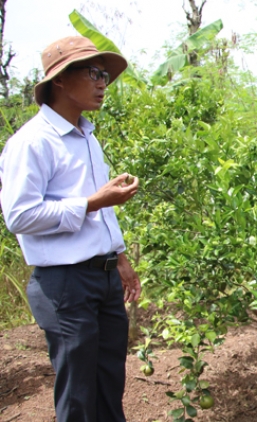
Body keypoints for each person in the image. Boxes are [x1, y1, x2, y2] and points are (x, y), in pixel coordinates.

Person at [0, 36, 141, 422]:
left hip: (105, 278)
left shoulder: (86, 137)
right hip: (65, 284)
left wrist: (121, 257)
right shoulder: (31, 143)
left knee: (110, 385)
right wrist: (94, 202)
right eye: (94, 73)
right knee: (78, 396)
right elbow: (19, 216)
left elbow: (101, 209)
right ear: (60, 79)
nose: (102, 83)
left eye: (105, 77)